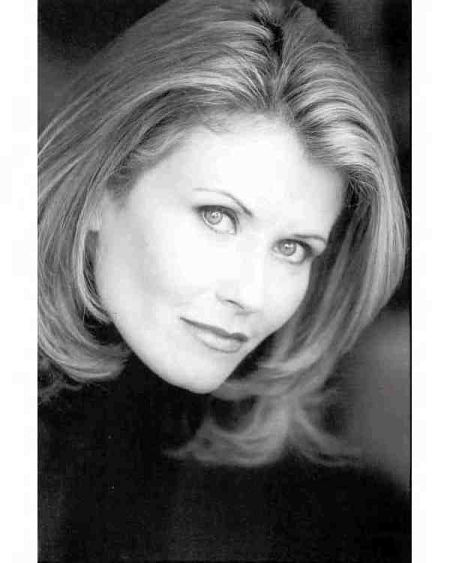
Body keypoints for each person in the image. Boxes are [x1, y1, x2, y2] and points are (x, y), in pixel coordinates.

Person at [38, 0, 409, 560]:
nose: (250, 295)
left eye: (293, 248)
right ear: (98, 188)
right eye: (219, 217)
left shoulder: (297, 508)